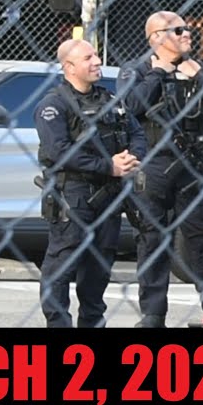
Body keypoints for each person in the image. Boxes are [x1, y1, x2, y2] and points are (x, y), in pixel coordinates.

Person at [118, 11, 203, 328]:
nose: (187, 34)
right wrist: (158, 75)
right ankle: (153, 314)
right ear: (156, 37)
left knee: (202, 240)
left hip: (194, 165)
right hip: (153, 164)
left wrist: (200, 78)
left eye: (187, 29)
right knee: (152, 239)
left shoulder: (199, 69)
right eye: (178, 30)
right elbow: (129, 107)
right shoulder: (137, 70)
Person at [34, 38, 146, 328]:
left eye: (96, 54)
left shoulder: (110, 100)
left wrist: (131, 158)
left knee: (99, 268)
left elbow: (137, 133)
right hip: (73, 195)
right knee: (61, 264)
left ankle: (92, 323)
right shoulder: (54, 105)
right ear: (69, 66)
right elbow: (59, 152)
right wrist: (108, 165)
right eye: (88, 57)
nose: (96, 61)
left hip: (109, 195)